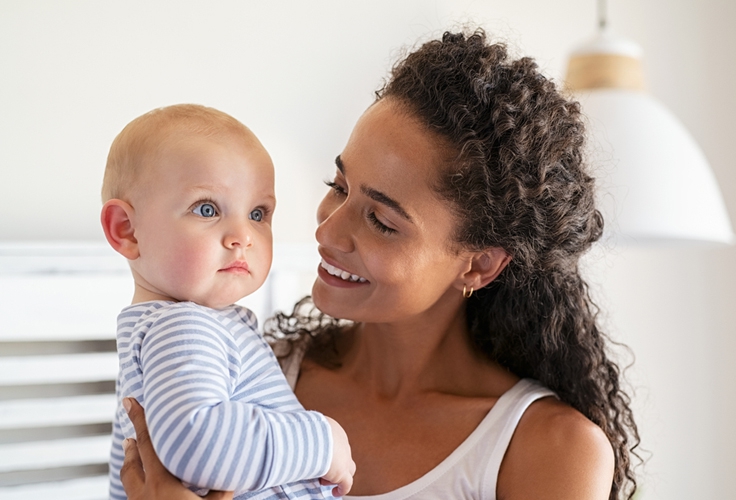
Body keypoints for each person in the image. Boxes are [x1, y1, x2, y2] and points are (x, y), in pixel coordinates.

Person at [120, 30, 640, 500]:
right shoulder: (248, 375)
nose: (326, 231)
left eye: (381, 221)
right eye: (338, 188)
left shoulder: (549, 448)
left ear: (479, 264)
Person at [100, 104, 356, 500]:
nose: (242, 235)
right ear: (127, 230)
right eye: (207, 209)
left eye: (258, 213)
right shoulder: (182, 327)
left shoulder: (186, 326)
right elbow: (195, 441)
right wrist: (323, 442)